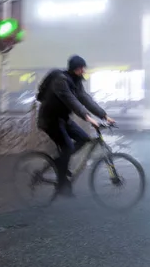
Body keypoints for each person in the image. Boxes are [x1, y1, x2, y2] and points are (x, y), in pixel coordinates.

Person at [36, 55, 115, 196]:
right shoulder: (60, 80)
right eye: (81, 68)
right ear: (74, 69)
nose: (83, 71)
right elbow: (71, 101)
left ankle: (60, 163)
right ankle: (61, 183)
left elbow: (85, 99)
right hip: (49, 120)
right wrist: (87, 117)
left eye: (83, 68)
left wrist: (104, 115)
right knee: (68, 146)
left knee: (84, 139)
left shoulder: (76, 81)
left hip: (63, 119)